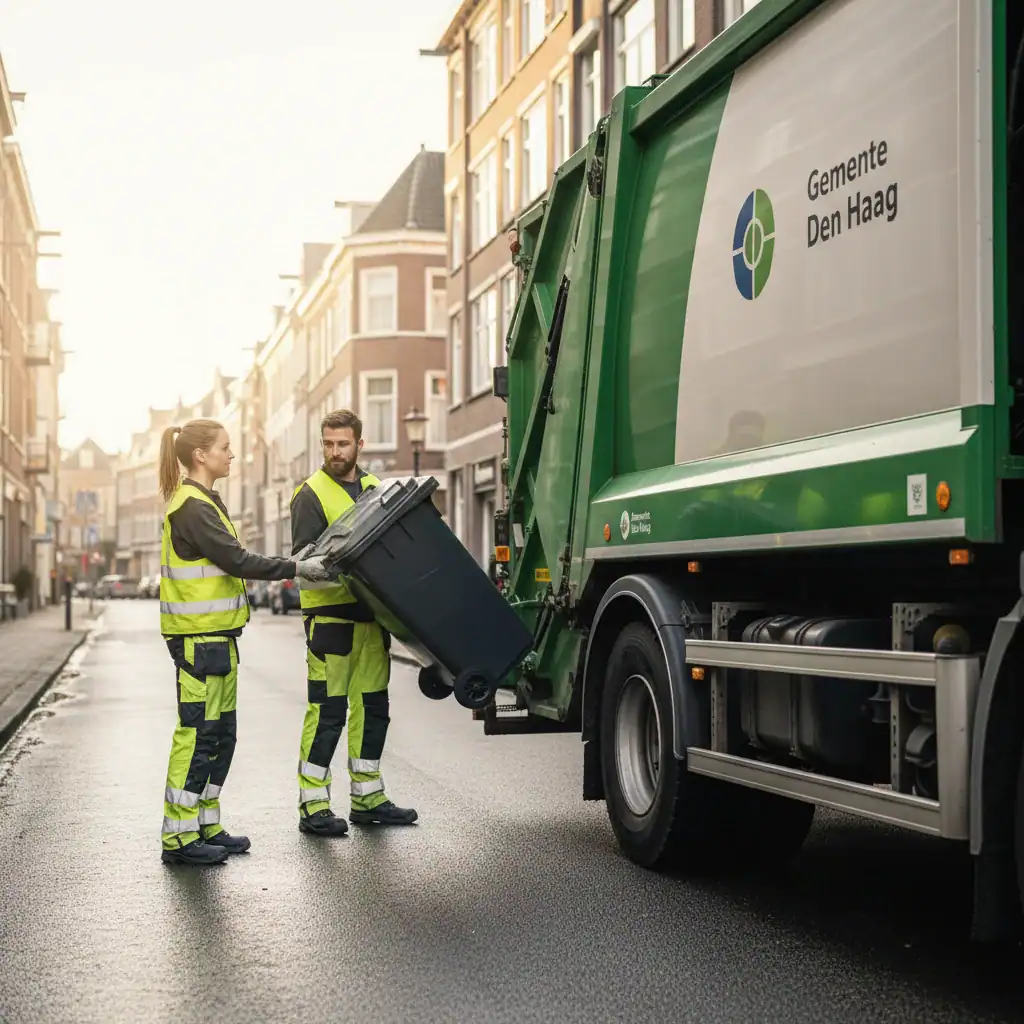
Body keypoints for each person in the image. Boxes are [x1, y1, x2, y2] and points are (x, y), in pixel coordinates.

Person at [158, 418, 332, 866]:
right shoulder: (192, 507)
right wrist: (297, 568)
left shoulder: (206, 502)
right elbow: (236, 560)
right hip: (198, 642)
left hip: (217, 639)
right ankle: (178, 837)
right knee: (198, 735)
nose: (231, 454)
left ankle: (205, 822)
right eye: (225, 448)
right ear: (201, 455)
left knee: (221, 736)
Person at [289, 409, 418, 836]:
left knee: (373, 708)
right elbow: (306, 559)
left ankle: (368, 797)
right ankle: (313, 804)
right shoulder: (309, 494)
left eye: (342, 444)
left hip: (370, 620)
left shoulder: (375, 489)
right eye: (327, 443)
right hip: (330, 621)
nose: (334, 451)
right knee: (328, 712)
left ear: (359, 445)